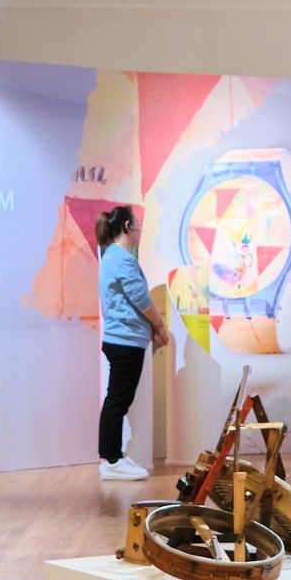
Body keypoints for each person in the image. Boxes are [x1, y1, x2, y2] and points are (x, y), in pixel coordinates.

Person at [95, 206, 170, 481]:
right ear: (128, 226)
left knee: (117, 399)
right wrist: (158, 324)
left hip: (123, 339)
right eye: (137, 224)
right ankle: (112, 460)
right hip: (125, 341)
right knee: (118, 400)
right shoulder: (122, 258)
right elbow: (140, 297)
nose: (140, 229)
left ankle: (112, 457)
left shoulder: (111, 256)